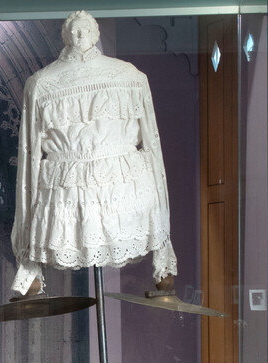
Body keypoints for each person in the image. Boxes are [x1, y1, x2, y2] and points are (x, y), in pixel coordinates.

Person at [10, 11, 176, 297]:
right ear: (64, 36)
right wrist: (27, 260)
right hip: (67, 194)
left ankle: (163, 263)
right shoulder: (41, 84)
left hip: (124, 192)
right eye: (73, 30)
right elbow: (29, 164)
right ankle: (30, 272)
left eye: (85, 28)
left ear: (96, 34)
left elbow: (153, 148)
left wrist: (164, 255)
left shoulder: (130, 76)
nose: (79, 35)